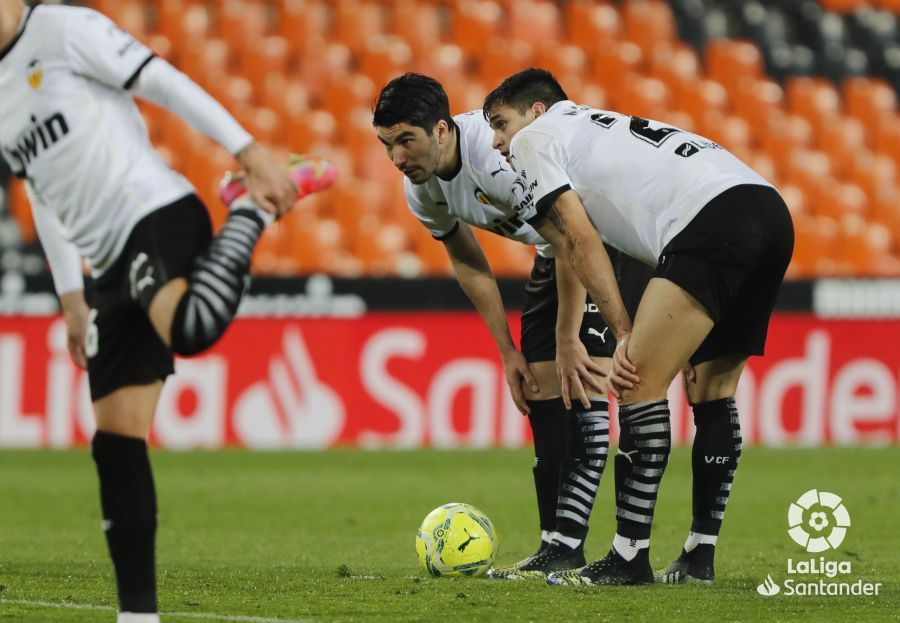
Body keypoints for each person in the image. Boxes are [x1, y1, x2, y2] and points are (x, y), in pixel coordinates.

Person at [0, 2, 335, 621]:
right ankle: (138, 616)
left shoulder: (60, 28)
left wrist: (249, 148)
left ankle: (246, 206)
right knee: (116, 440)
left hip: (151, 213)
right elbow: (38, 189)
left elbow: (160, 79)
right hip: (107, 265)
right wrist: (72, 298)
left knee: (191, 327)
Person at [483, 68, 793, 585]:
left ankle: (629, 558)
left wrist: (623, 330)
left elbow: (580, 241)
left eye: (500, 123)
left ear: (536, 112)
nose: (496, 141)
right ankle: (699, 555)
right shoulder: (596, 129)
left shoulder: (538, 139)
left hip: (709, 221)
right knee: (711, 388)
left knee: (634, 382)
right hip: (766, 207)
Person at [373, 73, 650, 579]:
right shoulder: (422, 190)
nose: (397, 158)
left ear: (440, 130)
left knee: (580, 381)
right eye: (386, 144)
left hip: (599, 242)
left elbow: (572, 236)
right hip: (554, 253)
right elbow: (468, 260)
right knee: (541, 389)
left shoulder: (498, 158)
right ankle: (555, 545)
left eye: (405, 141)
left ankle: (583, 546)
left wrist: (568, 338)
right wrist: (506, 350)